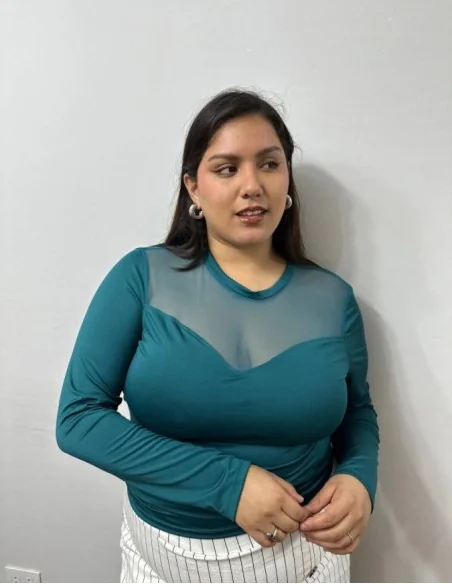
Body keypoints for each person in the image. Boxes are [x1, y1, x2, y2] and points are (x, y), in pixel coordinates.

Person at [56, 88, 379, 583]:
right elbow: (78, 419)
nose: (252, 186)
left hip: (305, 559)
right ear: (194, 187)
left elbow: (357, 413)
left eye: (269, 164)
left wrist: (359, 477)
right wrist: (227, 484)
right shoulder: (140, 278)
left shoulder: (334, 299)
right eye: (227, 168)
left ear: (287, 178)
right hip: (159, 561)